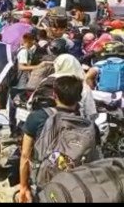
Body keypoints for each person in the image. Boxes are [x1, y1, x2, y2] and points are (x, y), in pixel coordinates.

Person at [17, 75, 100, 203]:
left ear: (54, 95)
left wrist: (23, 187)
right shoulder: (90, 126)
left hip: (45, 186)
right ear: (79, 98)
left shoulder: (37, 117)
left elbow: (25, 155)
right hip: (77, 188)